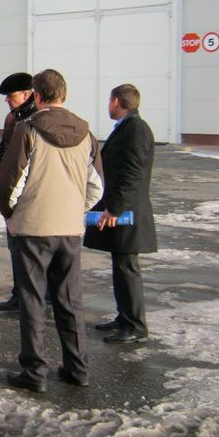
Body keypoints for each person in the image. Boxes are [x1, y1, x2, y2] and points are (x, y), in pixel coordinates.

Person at [0, 69, 104, 392]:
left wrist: (13, 217)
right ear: (65, 95)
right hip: (69, 231)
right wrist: (74, 212)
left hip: (32, 229)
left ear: (37, 97)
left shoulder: (28, 130)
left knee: (32, 300)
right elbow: (96, 188)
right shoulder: (87, 134)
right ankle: (77, 367)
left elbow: (9, 185)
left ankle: (34, 371)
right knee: (70, 301)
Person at [84, 84, 157, 344]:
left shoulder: (136, 129)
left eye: (109, 101)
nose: (108, 105)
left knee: (127, 268)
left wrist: (115, 209)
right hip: (123, 210)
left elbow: (132, 174)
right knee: (121, 266)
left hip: (127, 214)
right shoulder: (129, 127)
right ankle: (124, 317)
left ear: (115, 101)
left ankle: (136, 326)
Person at [0, 72, 36, 312]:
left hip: (32, 195)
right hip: (13, 195)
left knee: (35, 251)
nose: (7, 100)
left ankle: (42, 298)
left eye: (11, 96)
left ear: (26, 94)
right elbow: (3, 152)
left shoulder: (36, 121)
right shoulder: (12, 119)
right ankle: (19, 295)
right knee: (16, 248)